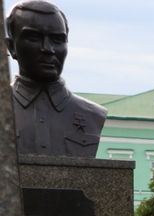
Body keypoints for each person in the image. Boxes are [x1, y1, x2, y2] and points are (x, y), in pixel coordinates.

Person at [5, 0, 106, 157]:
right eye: (34, 38)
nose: (48, 49)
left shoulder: (93, 115)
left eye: (57, 40)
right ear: (11, 47)